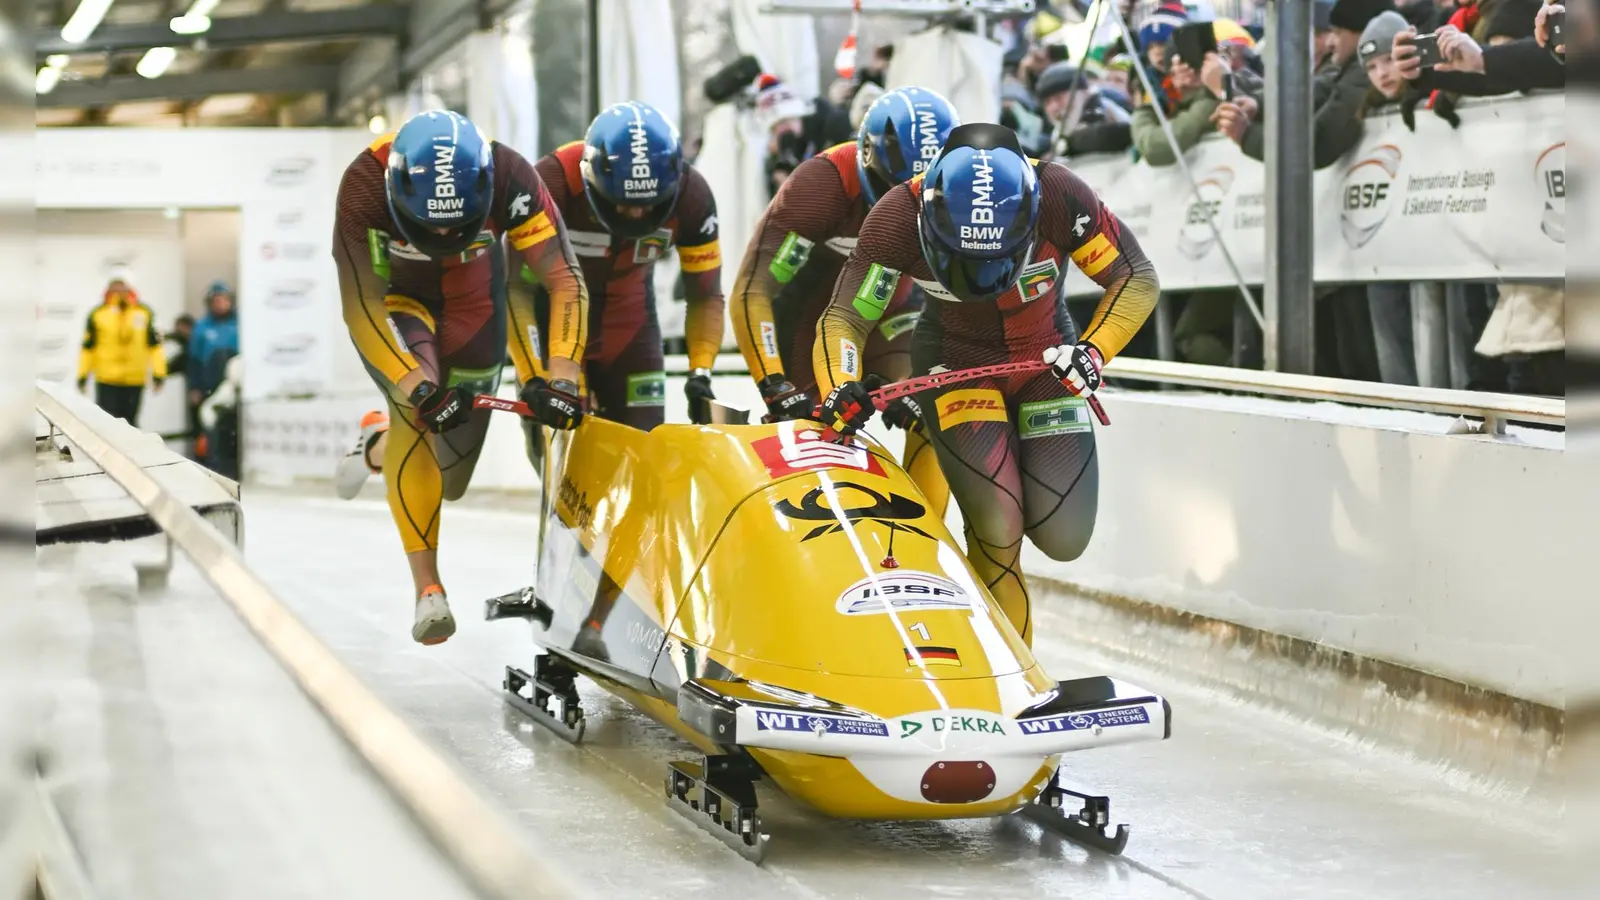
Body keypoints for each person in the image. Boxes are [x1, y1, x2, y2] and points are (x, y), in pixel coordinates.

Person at [810, 124, 1160, 646]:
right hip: (954, 366)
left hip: (1046, 363)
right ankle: (1003, 666)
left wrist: (1093, 351)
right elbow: (845, 317)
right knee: (998, 530)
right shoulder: (898, 215)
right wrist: (840, 384)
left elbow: (1135, 278)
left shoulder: (1060, 196)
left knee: (1065, 536)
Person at [330, 110, 590, 646]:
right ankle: (429, 590)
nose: (445, 234)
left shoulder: (511, 175)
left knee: (453, 481)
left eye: (457, 223)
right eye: (429, 224)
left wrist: (562, 378)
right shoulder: (364, 186)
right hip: (398, 304)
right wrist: (417, 389)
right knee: (417, 412)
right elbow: (361, 306)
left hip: (475, 311)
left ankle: (376, 444)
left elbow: (563, 277)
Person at [729, 87, 960, 516]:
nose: (902, 204)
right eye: (895, 188)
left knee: (936, 409)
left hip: (891, 317)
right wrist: (774, 384)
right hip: (809, 323)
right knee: (821, 426)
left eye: (920, 193)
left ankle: (926, 538)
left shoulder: (963, 194)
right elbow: (753, 289)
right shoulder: (822, 186)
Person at [510, 100, 723, 438]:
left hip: (630, 324)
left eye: (649, 203)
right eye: (622, 201)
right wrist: (533, 375)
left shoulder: (692, 196)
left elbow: (706, 295)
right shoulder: (552, 183)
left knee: (643, 444)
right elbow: (515, 286)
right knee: (564, 439)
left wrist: (700, 373)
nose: (635, 214)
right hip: (556, 321)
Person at [77, 274, 167, 426]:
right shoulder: (98, 314)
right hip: (107, 379)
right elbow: (88, 348)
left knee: (131, 424)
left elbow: (155, 346)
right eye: (115, 290)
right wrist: (83, 375)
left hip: (134, 379)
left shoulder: (144, 313)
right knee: (107, 424)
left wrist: (159, 373)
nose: (119, 293)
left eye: (122, 289)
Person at [187, 281, 239, 412]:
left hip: (235, 382)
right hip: (210, 383)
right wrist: (195, 387)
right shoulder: (201, 327)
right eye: (216, 300)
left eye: (224, 299)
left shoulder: (241, 323)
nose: (220, 304)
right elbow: (194, 359)